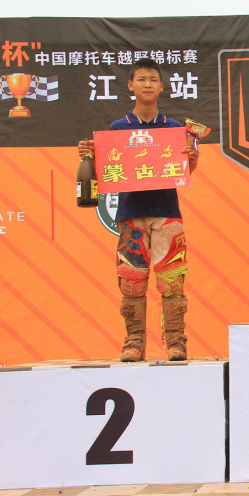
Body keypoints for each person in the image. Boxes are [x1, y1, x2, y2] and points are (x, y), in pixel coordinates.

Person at [77, 57, 200, 362]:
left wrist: (192, 160)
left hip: (167, 212)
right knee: (131, 282)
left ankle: (176, 342)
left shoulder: (174, 128)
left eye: (153, 79)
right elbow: (107, 171)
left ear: (162, 87)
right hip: (130, 215)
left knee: (172, 279)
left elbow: (182, 172)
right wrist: (90, 155)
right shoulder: (118, 129)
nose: (147, 84)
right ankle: (133, 342)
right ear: (131, 85)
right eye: (141, 79)